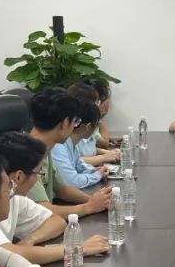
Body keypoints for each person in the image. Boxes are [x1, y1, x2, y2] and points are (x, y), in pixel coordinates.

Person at [0, 132, 111, 267]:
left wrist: (30, 239)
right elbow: (12, 255)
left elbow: (57, 221)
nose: (38, 180)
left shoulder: (15, 199)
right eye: (37, 173)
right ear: (19, 177)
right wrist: (77, 249)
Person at [27, 87, 112, 219]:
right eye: (75, 121)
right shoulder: (27, 157)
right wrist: (89, 207)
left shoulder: (44, 148)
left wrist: (94, 201)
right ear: (65, 123)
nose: (74, 128)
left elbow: (63, 190)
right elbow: (42, 210)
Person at [52, 99, 112, 190]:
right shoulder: (59, 146)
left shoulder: (72, 143)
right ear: (88, 127)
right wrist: (98, 175)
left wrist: (93, 170)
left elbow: (79, 166)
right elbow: (72, 182)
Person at [70, 82, 120, 167]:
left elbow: (90, 149)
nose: (98, 105)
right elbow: (74, 161)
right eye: (97, 102)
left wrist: (109, 153)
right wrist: (104, 157)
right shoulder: (77, 129)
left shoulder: (87, 127)